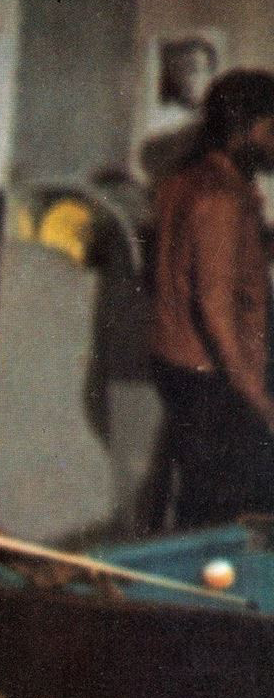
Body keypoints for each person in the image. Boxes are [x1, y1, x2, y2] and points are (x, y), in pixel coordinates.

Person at [147, 69, 274, 529]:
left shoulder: (181, 181)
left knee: (206, 501)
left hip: (181, 364)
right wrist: (256, 397)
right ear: (254, 128)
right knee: (227, 513)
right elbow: (215, 302)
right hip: (215, 373)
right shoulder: (221, 197)